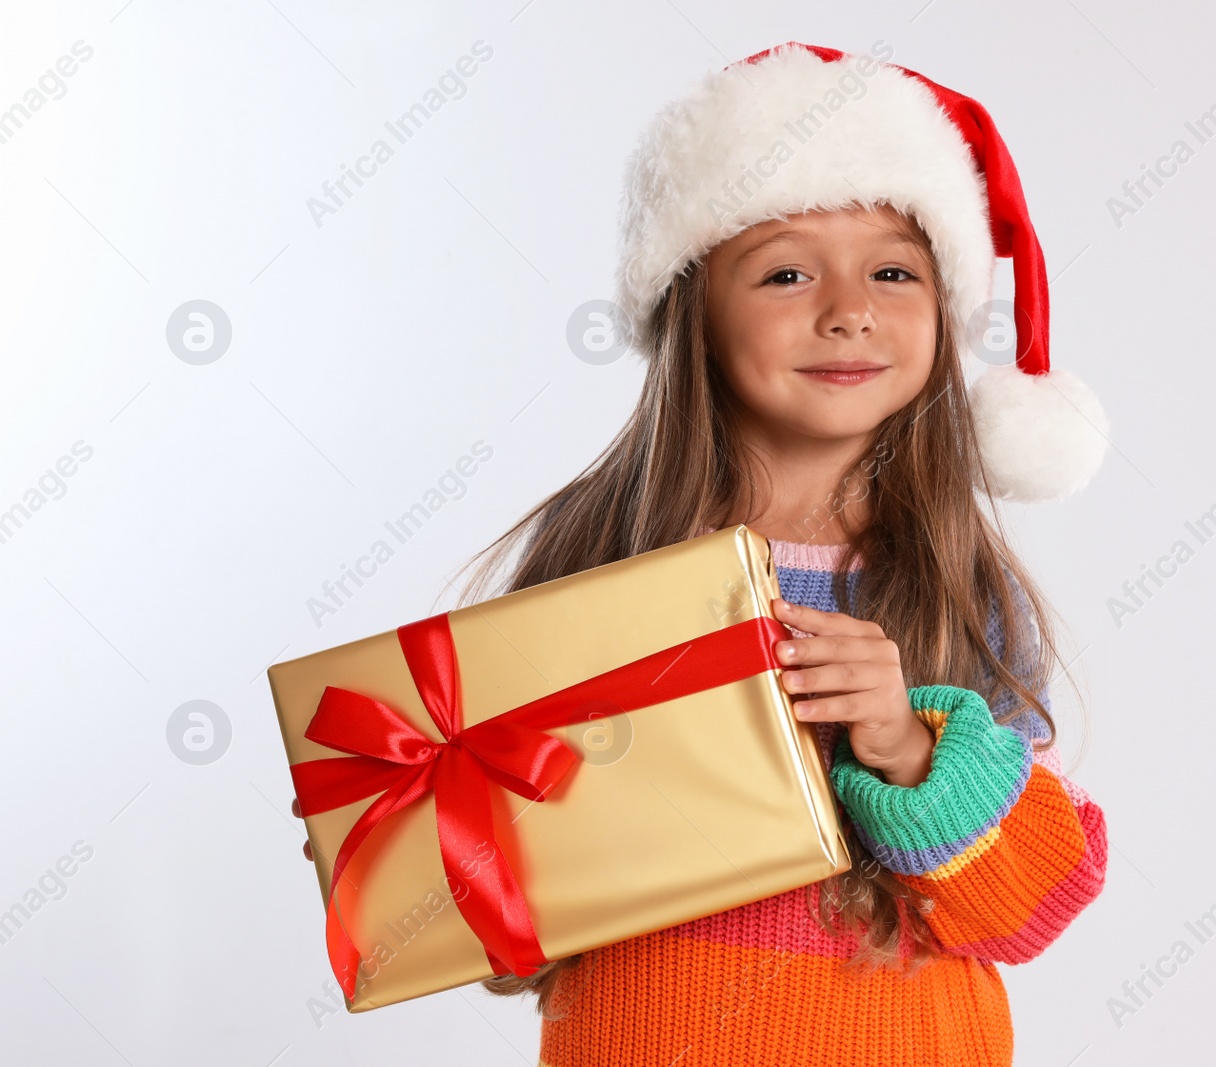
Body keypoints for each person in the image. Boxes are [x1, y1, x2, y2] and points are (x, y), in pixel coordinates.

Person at [300, 40, 1111, 1066]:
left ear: (946, 312)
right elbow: (512, 928)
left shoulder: (958, 580)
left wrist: (907, 745)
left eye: (894, 270)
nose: (848, 307)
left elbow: (1031, 908)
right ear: (692, 308)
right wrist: (405, 856)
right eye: (785, 271)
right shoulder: (599, 550)